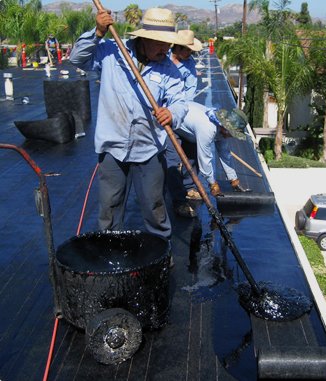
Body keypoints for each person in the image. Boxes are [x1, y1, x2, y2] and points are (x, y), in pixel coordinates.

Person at [69, 8, 188, 242]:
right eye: (161, 43)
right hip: (113, 145)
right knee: (110, 207)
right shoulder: (113, 51)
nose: (166, 49)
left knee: (154, 206)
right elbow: (77, 59)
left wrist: (171, 113)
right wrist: (98, 32)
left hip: (149, 148)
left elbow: (180, 102)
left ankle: (161, 251)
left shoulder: (169, 70)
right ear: (143, 38)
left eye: (168, 44)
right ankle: (109, 250)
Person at [174, 101, 249, 197]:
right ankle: (177, 199)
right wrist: (212, 183)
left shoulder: (221, 128)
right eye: (232, 133)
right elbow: (205, 159)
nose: (231, 137)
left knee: (192, 158)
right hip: (172, 122)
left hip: (190, 132)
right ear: (226, 128)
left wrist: (233, 179)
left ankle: (188, 188)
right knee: (172, 161)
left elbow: (224, 153)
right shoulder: (208, 128)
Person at [166, 30, 203, 217]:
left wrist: (181, 111)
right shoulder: (162, 59)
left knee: (190, 147)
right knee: (171, 157)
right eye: (188, 50)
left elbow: (190, 90)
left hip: (183, 112)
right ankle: (177, 198)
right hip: (163, 114)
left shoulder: (189, 64)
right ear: (177, 48)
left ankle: (189, 185)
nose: (190, 54)